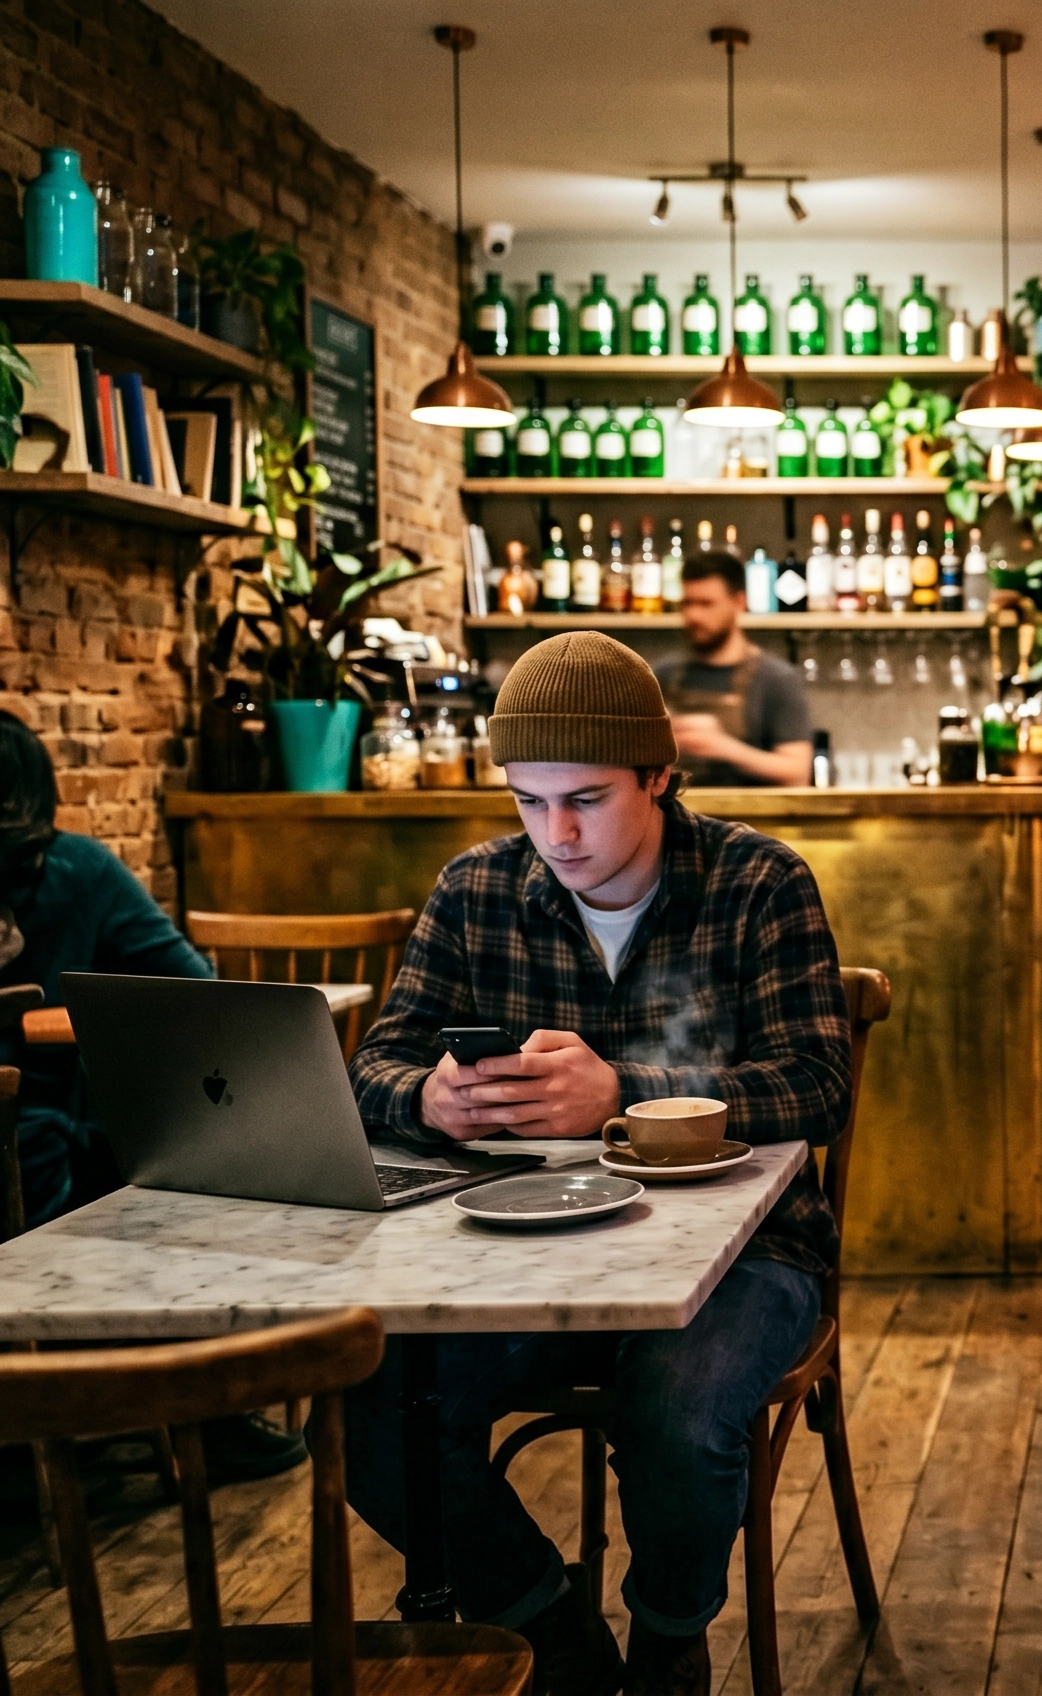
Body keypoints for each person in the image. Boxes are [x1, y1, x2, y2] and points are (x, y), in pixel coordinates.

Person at [344, 633, 852, 1696]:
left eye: (585, 797)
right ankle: (552, 1630)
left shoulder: (758, 881)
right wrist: (425, 1096)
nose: (556, 835)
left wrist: (624, 1091)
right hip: (526, 1242)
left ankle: (670, 1642)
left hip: (747, 1248)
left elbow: (817, 1083)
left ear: (660, 776)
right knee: (379, 1412)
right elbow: (373, 1064)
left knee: (674, 1413)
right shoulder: (478, 889)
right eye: (529, 802)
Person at [0, 712, 305, 1484]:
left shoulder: (78, 873)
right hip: (33, 1141)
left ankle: (191, 1403)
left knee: (175, 1151)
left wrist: (75, 1019)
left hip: (58, 1132)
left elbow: (191, 994)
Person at [652, 550, 813, 787]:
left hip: (751, 819)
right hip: (675, 821)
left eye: (706, 604)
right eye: (687, 603)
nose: (693, 615)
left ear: (738, 603)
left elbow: (797, 773)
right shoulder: (662, 675)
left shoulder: (776, 679)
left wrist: (723, 747)